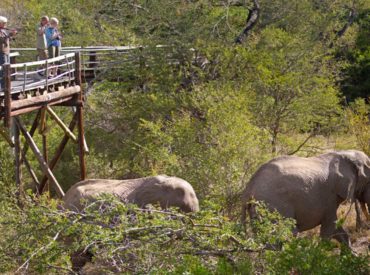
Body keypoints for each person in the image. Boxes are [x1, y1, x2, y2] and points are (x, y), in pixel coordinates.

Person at [0, 16, 17, 90]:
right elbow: (1, 39)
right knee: (3, 70)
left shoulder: (3, 30)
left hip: (6, 51)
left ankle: (8, 86)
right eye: (4, 23)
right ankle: (4, 87)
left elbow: (7, 39)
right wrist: (9, 35)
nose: (5, 25)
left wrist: (12, 35)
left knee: (7, 70)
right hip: (1, 52)